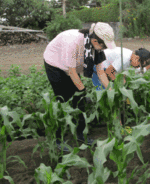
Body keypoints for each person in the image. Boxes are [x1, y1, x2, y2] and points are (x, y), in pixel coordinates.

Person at [43, 22, 116, 151]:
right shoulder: (73, 43)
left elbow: (100, 72)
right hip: (55, 64)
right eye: (103, 45)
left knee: (80, 101)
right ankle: (58, 140)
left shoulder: (96, 47)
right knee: (63, 100)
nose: (104, 49)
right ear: (95, 40)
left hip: (71, 66)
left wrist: (111, 90)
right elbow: (71, 72)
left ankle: (80, 135)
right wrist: (82, 90)